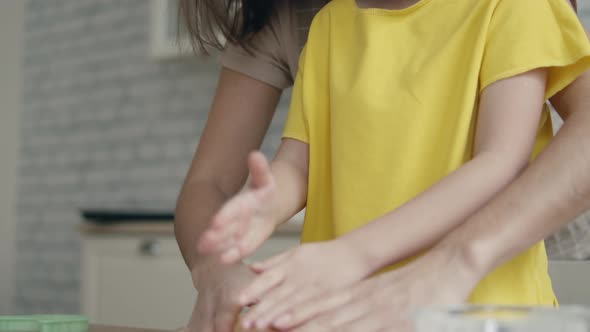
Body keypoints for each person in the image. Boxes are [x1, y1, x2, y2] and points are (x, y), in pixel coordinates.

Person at [174, 1, 590, 332]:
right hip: (350, 312)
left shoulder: (516, 6)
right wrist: (267, 204)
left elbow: (503, 161)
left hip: (482, 308)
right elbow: (299, 164)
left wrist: (354, 254)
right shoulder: (329, 26)